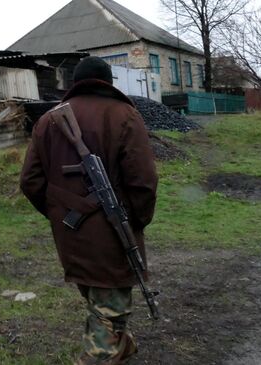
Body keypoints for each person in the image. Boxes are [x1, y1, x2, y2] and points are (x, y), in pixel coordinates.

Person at [20, 56, 158, 364]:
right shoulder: (126, 116)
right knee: (108, 311)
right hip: (115, 237)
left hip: (71, 235)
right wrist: (136, 222)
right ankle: (107, 352)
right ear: (108, 83)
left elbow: (30, 181)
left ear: (75, 83)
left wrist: (61, 214)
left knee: (101, 303)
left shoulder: (48, 121)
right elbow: (144, 182)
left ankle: (122, 347)